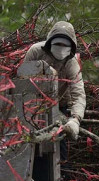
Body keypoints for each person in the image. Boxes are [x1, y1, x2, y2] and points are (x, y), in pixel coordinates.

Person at [24, 21, 86, 159]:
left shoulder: (71, 63)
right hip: (31, 106)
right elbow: (22, 76)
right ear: (50, 42)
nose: (61, 48)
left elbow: (78, 93)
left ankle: (61, 176)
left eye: (65, 45)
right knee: (29, 147)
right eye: (58, 44)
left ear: (71, 47)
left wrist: (75, 119)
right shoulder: (36, 51)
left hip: (58, 107)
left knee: (59, 151)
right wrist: (42, 69)